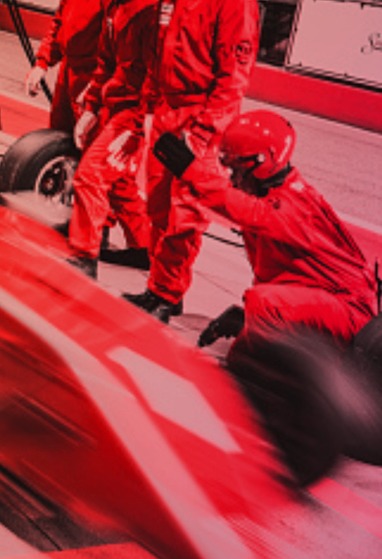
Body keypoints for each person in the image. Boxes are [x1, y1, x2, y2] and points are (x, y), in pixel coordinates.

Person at [185, 110, 378, 364]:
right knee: (242, 352)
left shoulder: (295, 202)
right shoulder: (270, 194)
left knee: (263, 309)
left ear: (262, 162)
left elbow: (248, 212)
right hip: (325, 301)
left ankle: (314, 378)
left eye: (238, 168)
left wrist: (192, 173)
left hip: (350, 311)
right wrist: (248, 320)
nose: (233, 177)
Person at [120, 0, 259, 322]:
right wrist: (150, 108)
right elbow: (159, 53)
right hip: (169, 111)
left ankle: (166, 294)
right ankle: (159, 287)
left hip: (201, 117)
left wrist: (202, 132)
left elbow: (233, 79)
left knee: (185, 214)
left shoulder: (235, 4)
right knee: (158, 206)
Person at [62, 0, 157, 278]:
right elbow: (106, 63)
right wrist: (91, 106)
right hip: (118, 105)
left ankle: (84, 255)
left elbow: (155, 78)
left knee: (90, 176)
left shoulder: (150, 16)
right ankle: (143, 248)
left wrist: (138, 127)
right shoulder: (115, 8)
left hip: (135, 111)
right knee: (120, 182)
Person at [21, 0, 103, 134]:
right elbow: (60, 22)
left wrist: (96, 89)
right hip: (67, 73)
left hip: (91, 75)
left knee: (87, 138)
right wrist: (42, 63)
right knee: (58, 136)